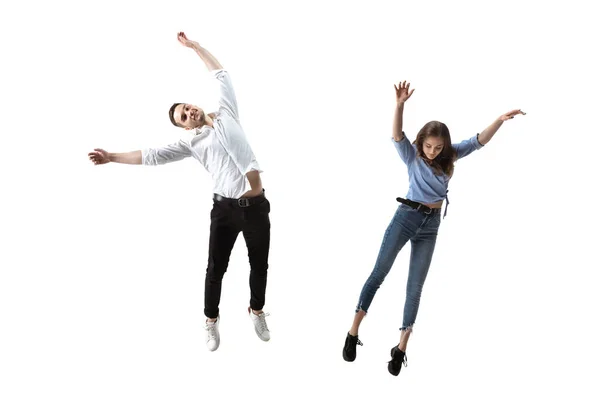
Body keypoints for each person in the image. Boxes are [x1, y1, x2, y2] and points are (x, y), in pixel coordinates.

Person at [88, 32, 271, 352]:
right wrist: (112, 157)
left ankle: (257, 311)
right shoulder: (191, 142)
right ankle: (211, 321)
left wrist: (196, 47)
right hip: (225, 210)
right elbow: (151, 155)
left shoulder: (227, 112)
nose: (189, 112)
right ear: (185, 127)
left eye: (186, 108)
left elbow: (221, 74)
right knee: (216, 268)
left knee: (259, 265)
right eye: (183, 117)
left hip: (256, 205)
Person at [342, 80, 525, 376]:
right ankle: (352, 332)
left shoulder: (449, 156)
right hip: (406, 217)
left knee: (415, 287)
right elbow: (397, 134)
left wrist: (499, 121)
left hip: (431, 225)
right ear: (421, 141)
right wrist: (399, 105)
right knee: (379, 273)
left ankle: (400, 348)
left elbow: (479, 140)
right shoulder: (412, 155)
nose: (431, 151)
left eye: (437, 147)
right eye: (428, 145)